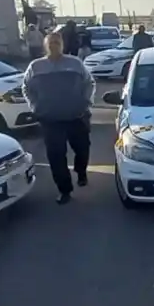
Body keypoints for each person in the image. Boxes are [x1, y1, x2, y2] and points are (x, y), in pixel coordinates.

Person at [22, 32, 95, 205]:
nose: (54, 45)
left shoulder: (75, 63)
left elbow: (89, 83)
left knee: (83, 148)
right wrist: (35, 106)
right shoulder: (36, 67)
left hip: (76, 117)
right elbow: (26, 88)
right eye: (51, 42)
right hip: (50, 119)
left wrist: (86, 103)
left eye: (57, 42)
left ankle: (81, 171)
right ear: (46, 45)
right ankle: (64, 190)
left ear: (62, 45)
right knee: (56, 156)